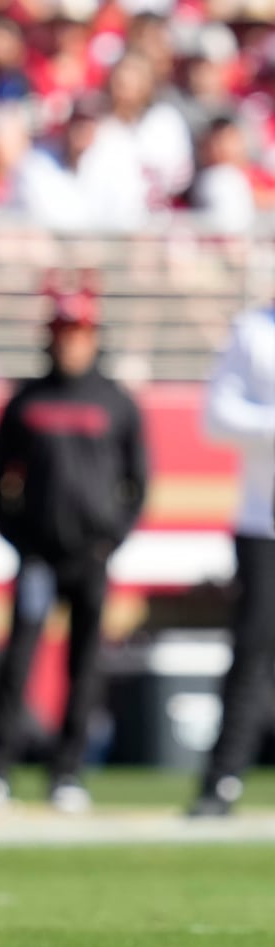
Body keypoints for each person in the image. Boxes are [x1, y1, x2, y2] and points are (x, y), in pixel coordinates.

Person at [0, 292, 148, 815]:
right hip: (37, 557)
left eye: (79, 334)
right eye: (62, 333)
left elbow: (137, 483)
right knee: (19, 658)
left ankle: (67, 771)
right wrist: (16, 537)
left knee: (85, 664)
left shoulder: (117, 401)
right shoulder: (26, 401)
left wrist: (111, 539)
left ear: (92, 338)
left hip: (91, 558)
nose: (70, 344)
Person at [190, 300, 275, 817]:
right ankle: (221, 782)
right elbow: (216, 417)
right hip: (263, 523)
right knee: (252, 652)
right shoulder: (254, 332)